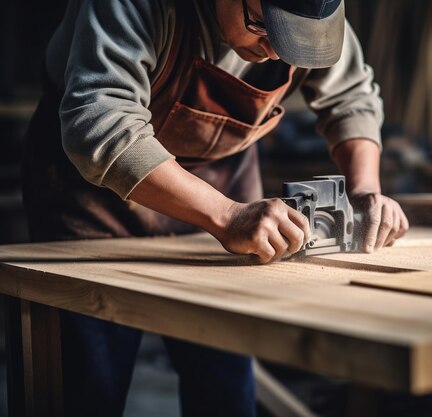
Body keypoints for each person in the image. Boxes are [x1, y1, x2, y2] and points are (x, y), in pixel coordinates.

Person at [21, 0, 409, 415]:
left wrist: (367, 189)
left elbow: (351, 100)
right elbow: (99, 124)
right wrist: (225, 215)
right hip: (92, 194)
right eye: (262, 26)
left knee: (225, 386)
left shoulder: (313, 12)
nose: (275, 53)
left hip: (224, 181)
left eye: (296, 40)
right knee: (89, 387)